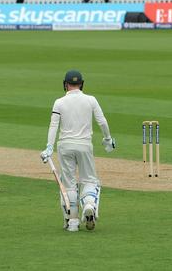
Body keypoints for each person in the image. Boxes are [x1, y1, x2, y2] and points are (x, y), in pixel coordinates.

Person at [40, 70, 115, 232]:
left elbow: (54, 125)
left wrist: (49, 147)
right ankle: (89, 204)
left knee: (68, 184)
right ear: (81, 84)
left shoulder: (59, 102)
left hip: (65, 146)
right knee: (89, 180)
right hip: (84, 145)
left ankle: (72, 222)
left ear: (65, 84)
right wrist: (108, 139)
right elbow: (102, 121)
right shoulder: (91, 100)